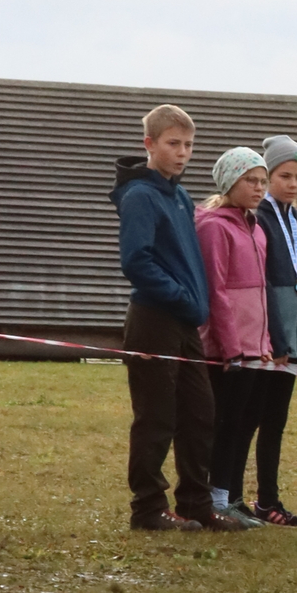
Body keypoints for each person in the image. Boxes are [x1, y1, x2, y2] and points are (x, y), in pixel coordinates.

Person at [110, 103, 219, 532]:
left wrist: (196, 303)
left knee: (199, 413)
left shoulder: (180, 195)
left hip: (185, 322)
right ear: (149, 144)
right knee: (156, 417)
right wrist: (181, 297)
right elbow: (137, 262)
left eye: (189, 145)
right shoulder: (140, 196)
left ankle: (196, 503)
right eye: (174, 144)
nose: (183, 153)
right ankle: (148, 508)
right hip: (154, 318)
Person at [197, 149, 274, 527]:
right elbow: (216, 289)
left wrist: (265, 342)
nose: (259, 188)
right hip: (227, 350)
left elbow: (260, 293)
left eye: (263, 181)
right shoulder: (214, 227)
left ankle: (228, 497)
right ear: (229, 182)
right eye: (250, 181)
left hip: (254, 347)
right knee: (223, 423)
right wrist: (231, 347)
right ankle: (212, 498)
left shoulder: (256, 227)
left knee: (243, 423)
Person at [253, 136, 297, 525]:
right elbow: (261, 283)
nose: (293, 184)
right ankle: (227, 495)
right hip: (267, 340)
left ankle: (268, 500)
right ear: (269, 176)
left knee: (275, 422)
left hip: (293, 340)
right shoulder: (259, 219)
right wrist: (276, 337)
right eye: (284, 176)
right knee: (246, 421)